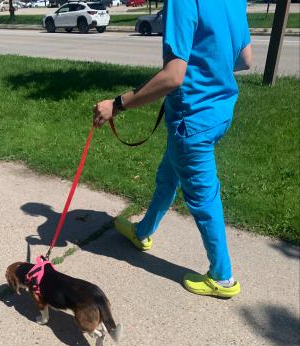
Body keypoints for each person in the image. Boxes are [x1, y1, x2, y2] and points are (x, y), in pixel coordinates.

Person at [93, 0, 252, 298]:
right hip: (219, 114)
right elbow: (245, 59)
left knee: (204, 199)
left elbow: (173, 76)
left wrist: (115, 105)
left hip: (193, 122)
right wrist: (209, 71)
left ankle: (223, 277)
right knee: (168, 176)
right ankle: (143, 233)